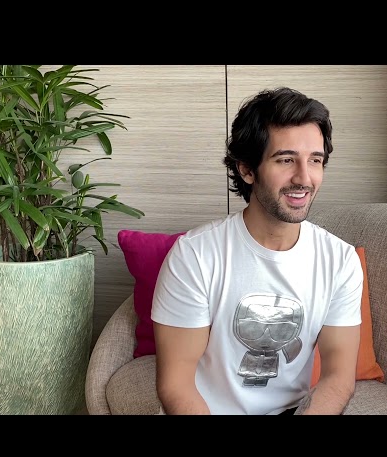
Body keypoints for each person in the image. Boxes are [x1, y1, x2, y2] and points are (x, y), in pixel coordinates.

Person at [151, 86, 363, 415]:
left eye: (315, 160)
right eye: (286, 160)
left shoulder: (340, 261)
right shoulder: (195, 256)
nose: (304, 178)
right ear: (247, 169)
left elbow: (338, 378)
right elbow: (176, 385)